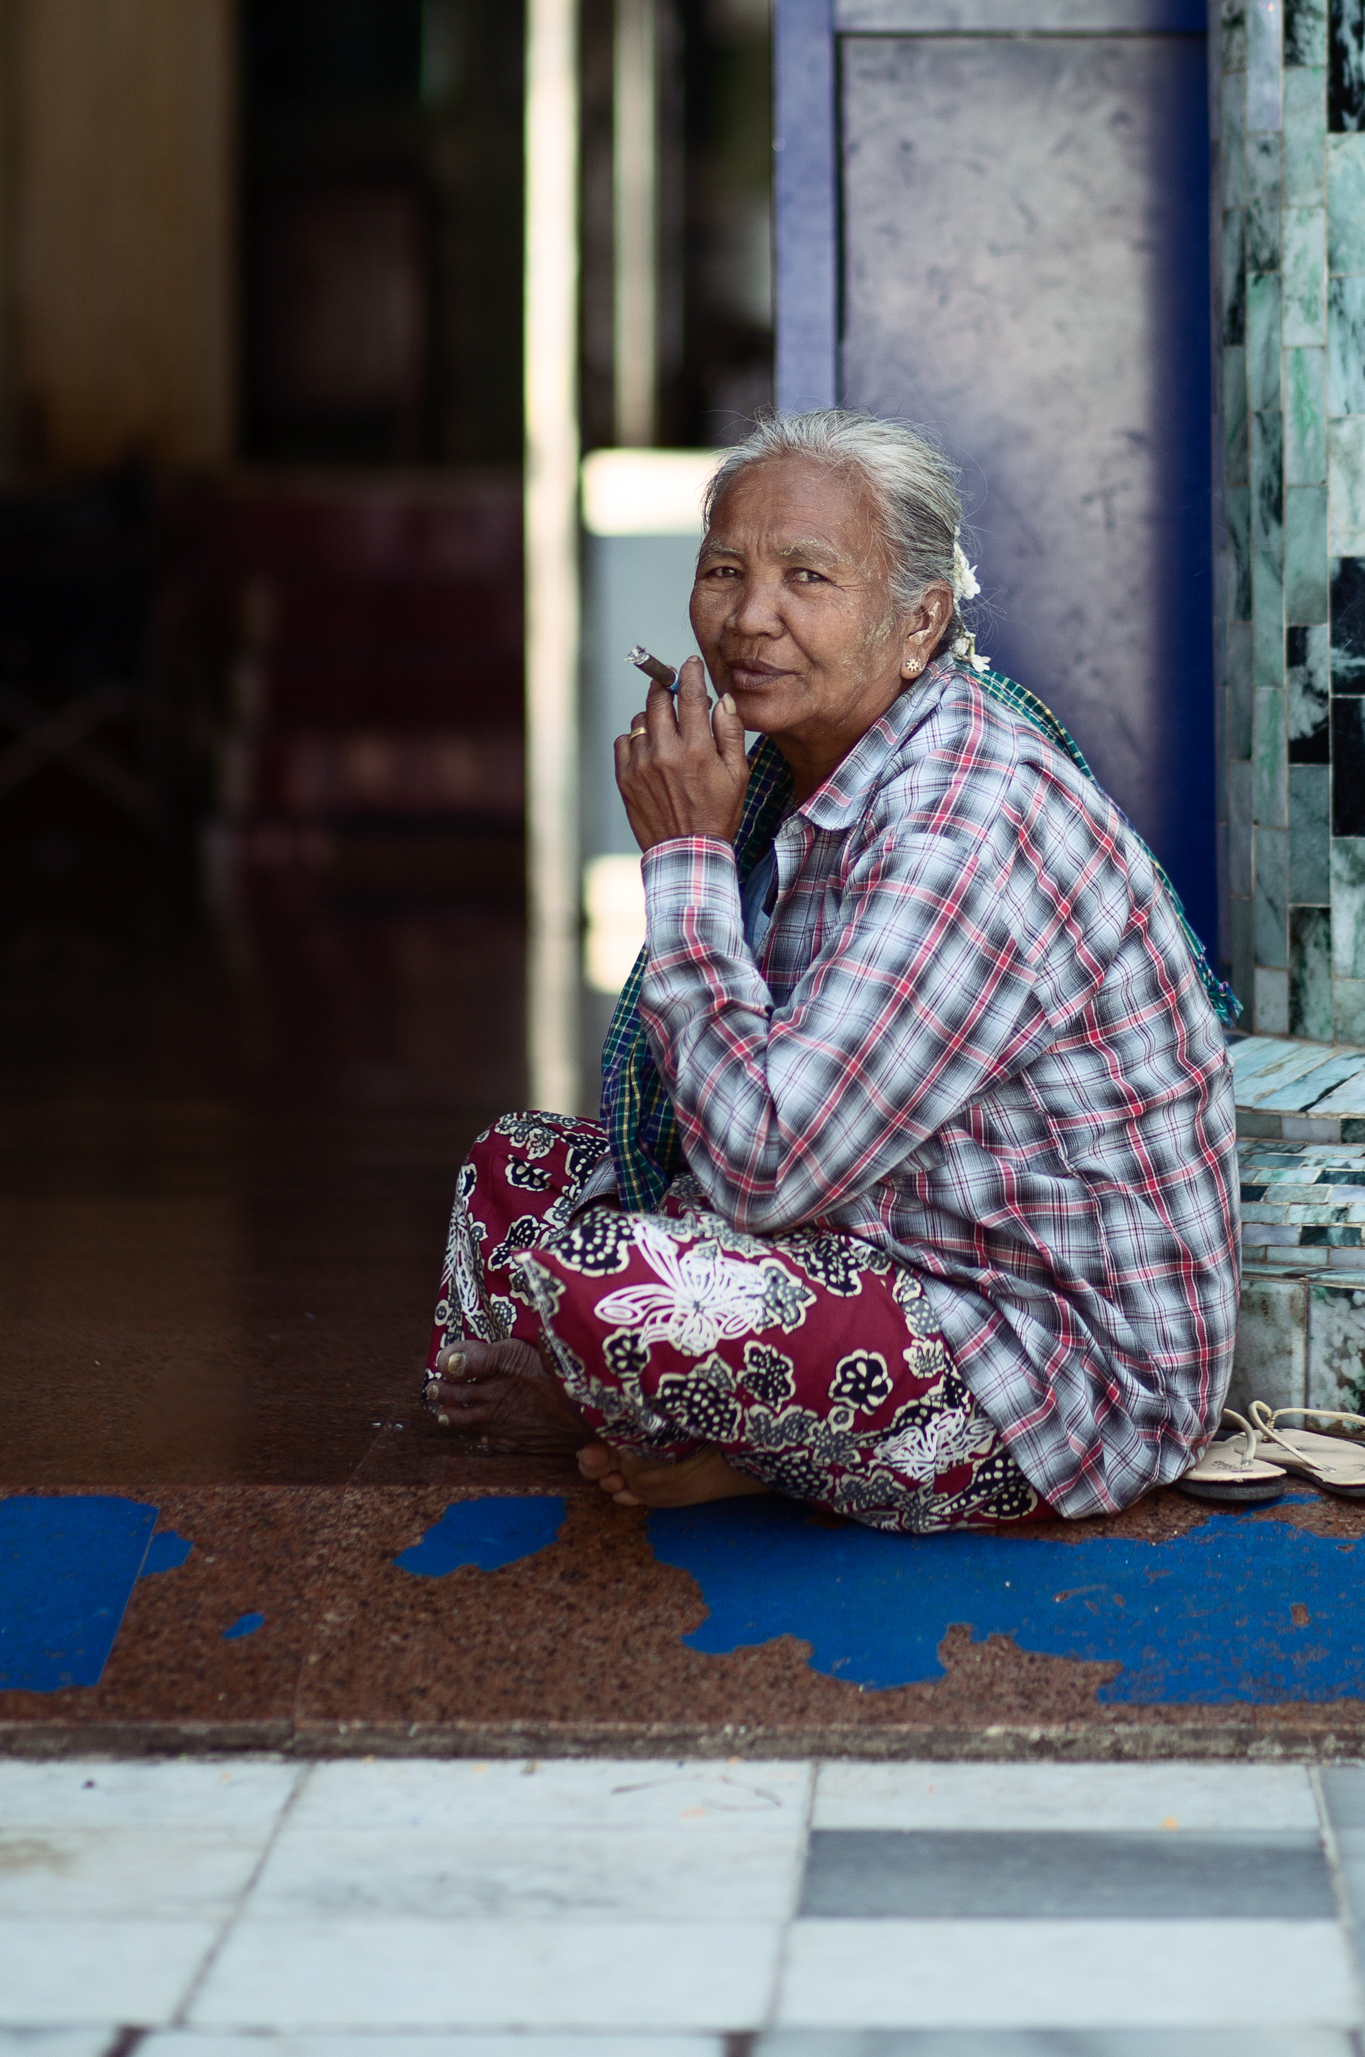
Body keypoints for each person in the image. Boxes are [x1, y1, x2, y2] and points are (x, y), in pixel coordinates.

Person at [426, 410, 1239, 1531]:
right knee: (513, 1166)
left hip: (1045, 1364)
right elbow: (753, 1111)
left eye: (807, 576)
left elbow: (762, 1166)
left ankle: (718, 1442)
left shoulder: (964, 824)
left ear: (918, 626)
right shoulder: (809, 771)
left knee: (604, 1278)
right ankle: (679, 1421)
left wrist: (686, 859)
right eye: (725, 570)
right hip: (872, 1236)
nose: (751, 618)